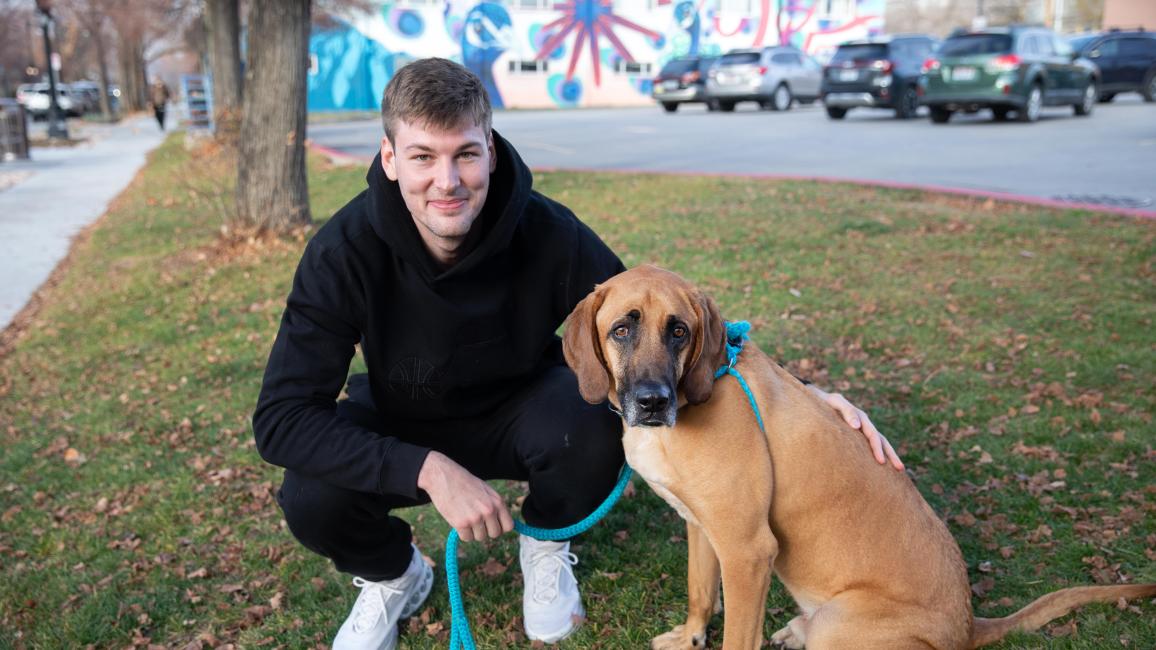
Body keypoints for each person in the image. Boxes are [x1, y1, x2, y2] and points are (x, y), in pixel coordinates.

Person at [252, 57, 903, 650]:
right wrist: (426, 468)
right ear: (390, 159)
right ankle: (394, 575)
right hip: (405, 415)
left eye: (466, 156)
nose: (446, 182)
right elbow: (281, 418)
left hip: (523, 415)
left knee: (601, 410)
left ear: (493, 155)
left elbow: (657, 323)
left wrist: (805, 399)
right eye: (423, 157)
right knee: (312, 494)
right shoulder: (341, 253)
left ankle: (547, 538)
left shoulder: (546, 231)